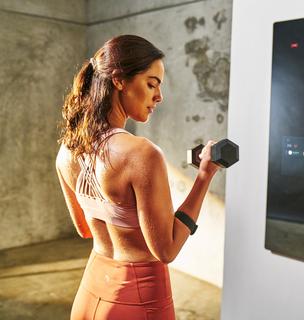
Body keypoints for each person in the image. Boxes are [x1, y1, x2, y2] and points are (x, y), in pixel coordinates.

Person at [55, 35, 219, 320]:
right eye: (151, 83)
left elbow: (85, 229)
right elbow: (165, 250)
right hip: (139, 296)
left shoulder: (67, 151)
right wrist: (205, 175)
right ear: (119, 80)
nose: (159, 96)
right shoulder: (141, 153)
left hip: (91, 289)